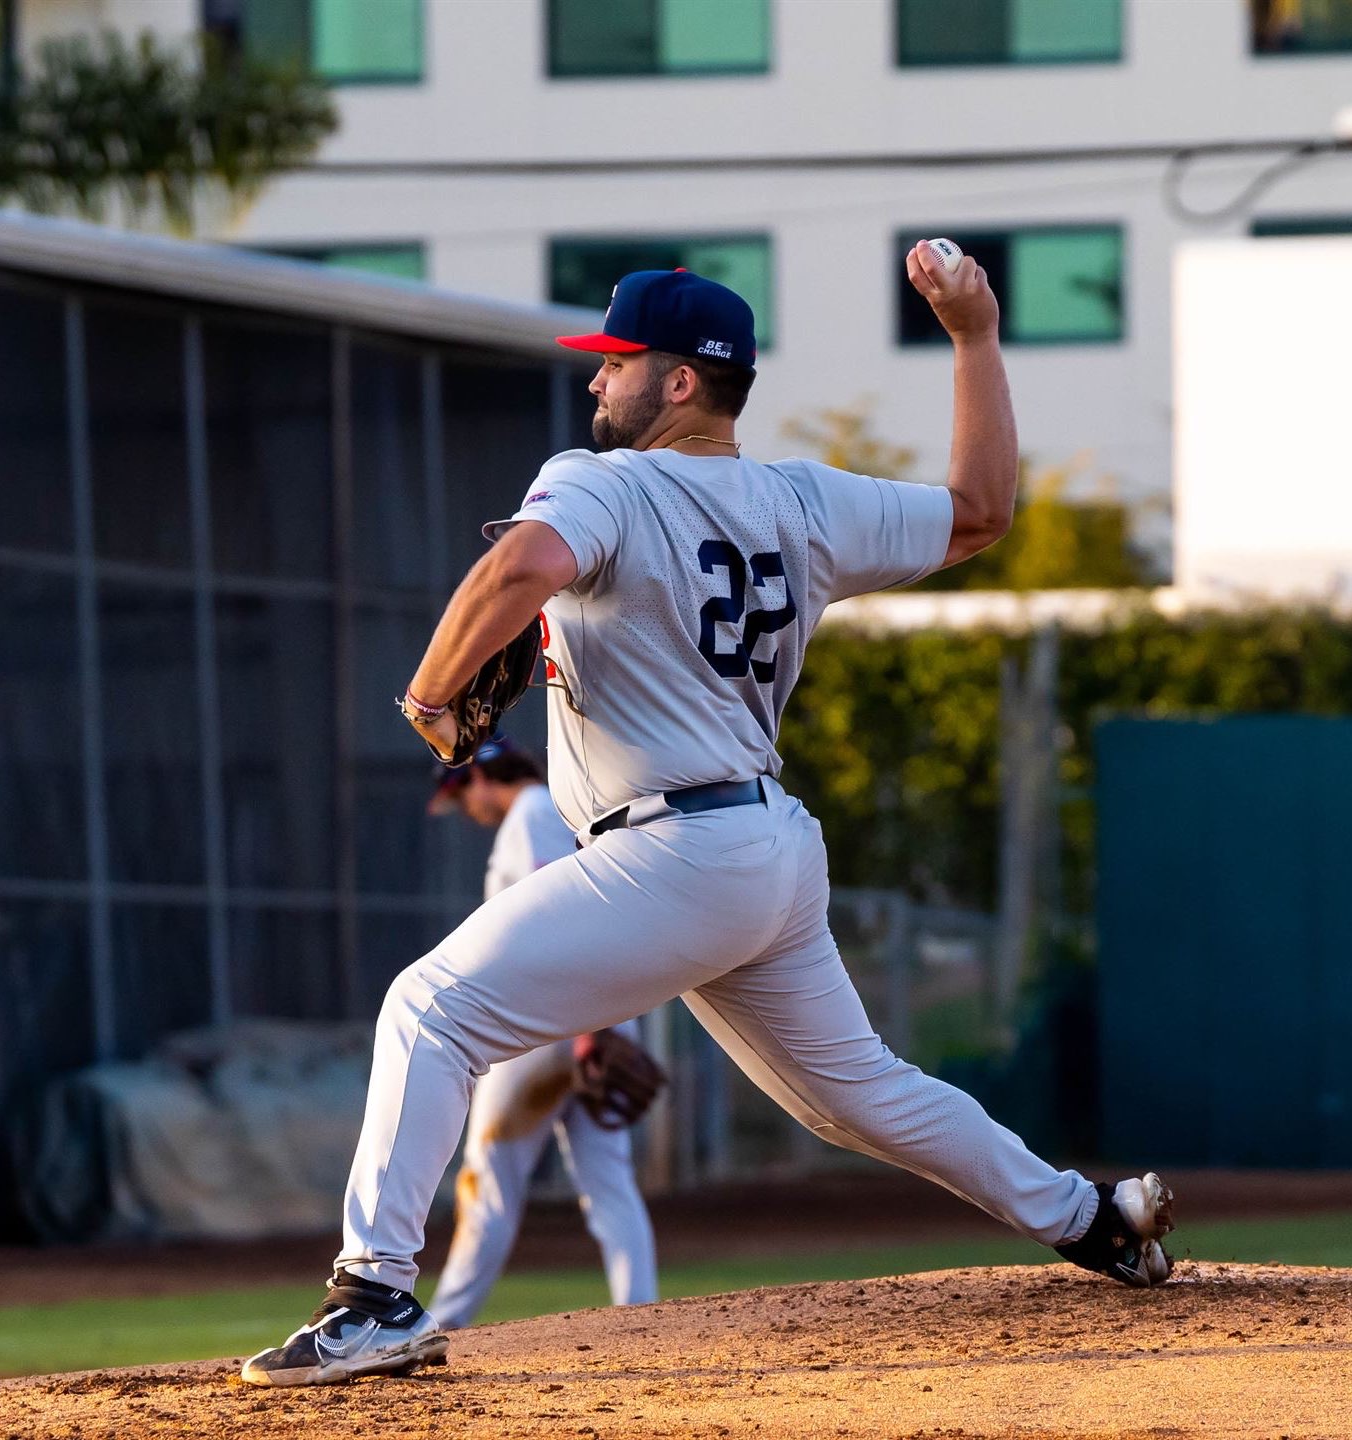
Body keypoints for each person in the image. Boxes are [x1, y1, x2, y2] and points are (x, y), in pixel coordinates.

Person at [241, 245, 1175, 1388]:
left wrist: (431, 695)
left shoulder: (601, 480)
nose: (596, 383)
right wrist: (975, 339)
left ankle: (374, 1294)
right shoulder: (803, 500)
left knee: (431, 1011)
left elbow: (523, 563)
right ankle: (1096, 1221)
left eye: (616, 361)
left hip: (676, 851)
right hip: (766, 850)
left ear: (680, 380)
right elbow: (982, 511)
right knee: (860, 1096)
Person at [424, 736, 658, 1331]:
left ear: (479, 778)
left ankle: (442, 1326)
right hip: (584, 1018)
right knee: (608, 1183)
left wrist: (585, 1035)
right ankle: (642, 1319)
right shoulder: (558, 808)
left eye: (462, 796)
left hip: (549, 1026)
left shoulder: (531, 814)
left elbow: (564, 923)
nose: (468, 810)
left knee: (490, 1179)